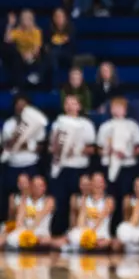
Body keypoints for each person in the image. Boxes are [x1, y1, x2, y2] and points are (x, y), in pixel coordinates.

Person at [48, 95, 96, 235]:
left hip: (79, 167)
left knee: (78, 202)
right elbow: (52, 147)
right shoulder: (58, 123)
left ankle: (78, 230)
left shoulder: (86, 124)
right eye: (68, 103)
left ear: (79, 106)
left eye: (74, 103)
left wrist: (76, 149)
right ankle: (59, 232)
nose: (70, 106)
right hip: (61, 167)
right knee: (60, 202)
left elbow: (92, 148)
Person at [97, 97, 139, 206]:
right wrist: (107, 151)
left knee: (125, 196)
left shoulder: (132, 125)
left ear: (125, 110)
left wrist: (128, 154)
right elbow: (99, 148)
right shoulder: (105, 126)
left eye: (120, 107)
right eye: (115, 107)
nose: (117, 110)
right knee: (110, 196)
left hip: (127, 166)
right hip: (109, 165)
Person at [1, 96, 47, 203]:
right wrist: (17, 141)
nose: (20, 108)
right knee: (12, 197)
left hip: (31, 165)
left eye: (23, 105)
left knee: (33, 196)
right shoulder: (9, 124)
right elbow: (6, 144)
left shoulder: (37, 123)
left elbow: (41, 146)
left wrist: (25, 145)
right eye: (18, 105)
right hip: (13, 166)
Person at [62, 171, 114, 253]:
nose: (97, 185)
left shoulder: (108, 200)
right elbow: (81, 221)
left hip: (100, 234)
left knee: (104, 242)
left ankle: (80, 247)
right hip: (86, 234)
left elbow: (100, 219)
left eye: (100, 182)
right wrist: (84, 235)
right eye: (95, 182)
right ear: (91, 184)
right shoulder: (85, 200)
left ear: (104, 184)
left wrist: (91, 235)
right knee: (74, 235)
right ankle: (83, 246)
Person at [2, 175, 53, 250]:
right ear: (31, 186)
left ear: (45, 187)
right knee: (11, 238)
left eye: (40, 185)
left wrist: (30, 233)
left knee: (44, 240)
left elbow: (39, 218)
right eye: (35, 185)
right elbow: (19, 219)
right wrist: (22, 232)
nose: (37, 188)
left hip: (40, 232)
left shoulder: (49, 200)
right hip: (25, 230)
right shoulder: (24, 200)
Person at [4, 10, 47, 91]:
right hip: (20, 56)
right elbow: (7, 39)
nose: (25, 21)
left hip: (33, 56)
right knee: (14, 56)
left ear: (32, 20)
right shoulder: (17, 31)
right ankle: (17, 86)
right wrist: (10, 25)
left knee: (44, 54)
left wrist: (30, 54)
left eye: (27, 19)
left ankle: (37, 76)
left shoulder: (36, 31)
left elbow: (37, 48)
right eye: (23, 19)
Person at [46, 8, 74, 82]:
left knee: (53, 54)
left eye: (61, 16)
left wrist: (67, 40)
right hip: (53, 57)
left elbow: (73, 46)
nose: (59, 18)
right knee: (52, 55)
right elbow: (48, 45)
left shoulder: (71, 29)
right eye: (57, 16)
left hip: (68, 56)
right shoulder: (50, 30)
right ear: (53, 18)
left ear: (65, 17)